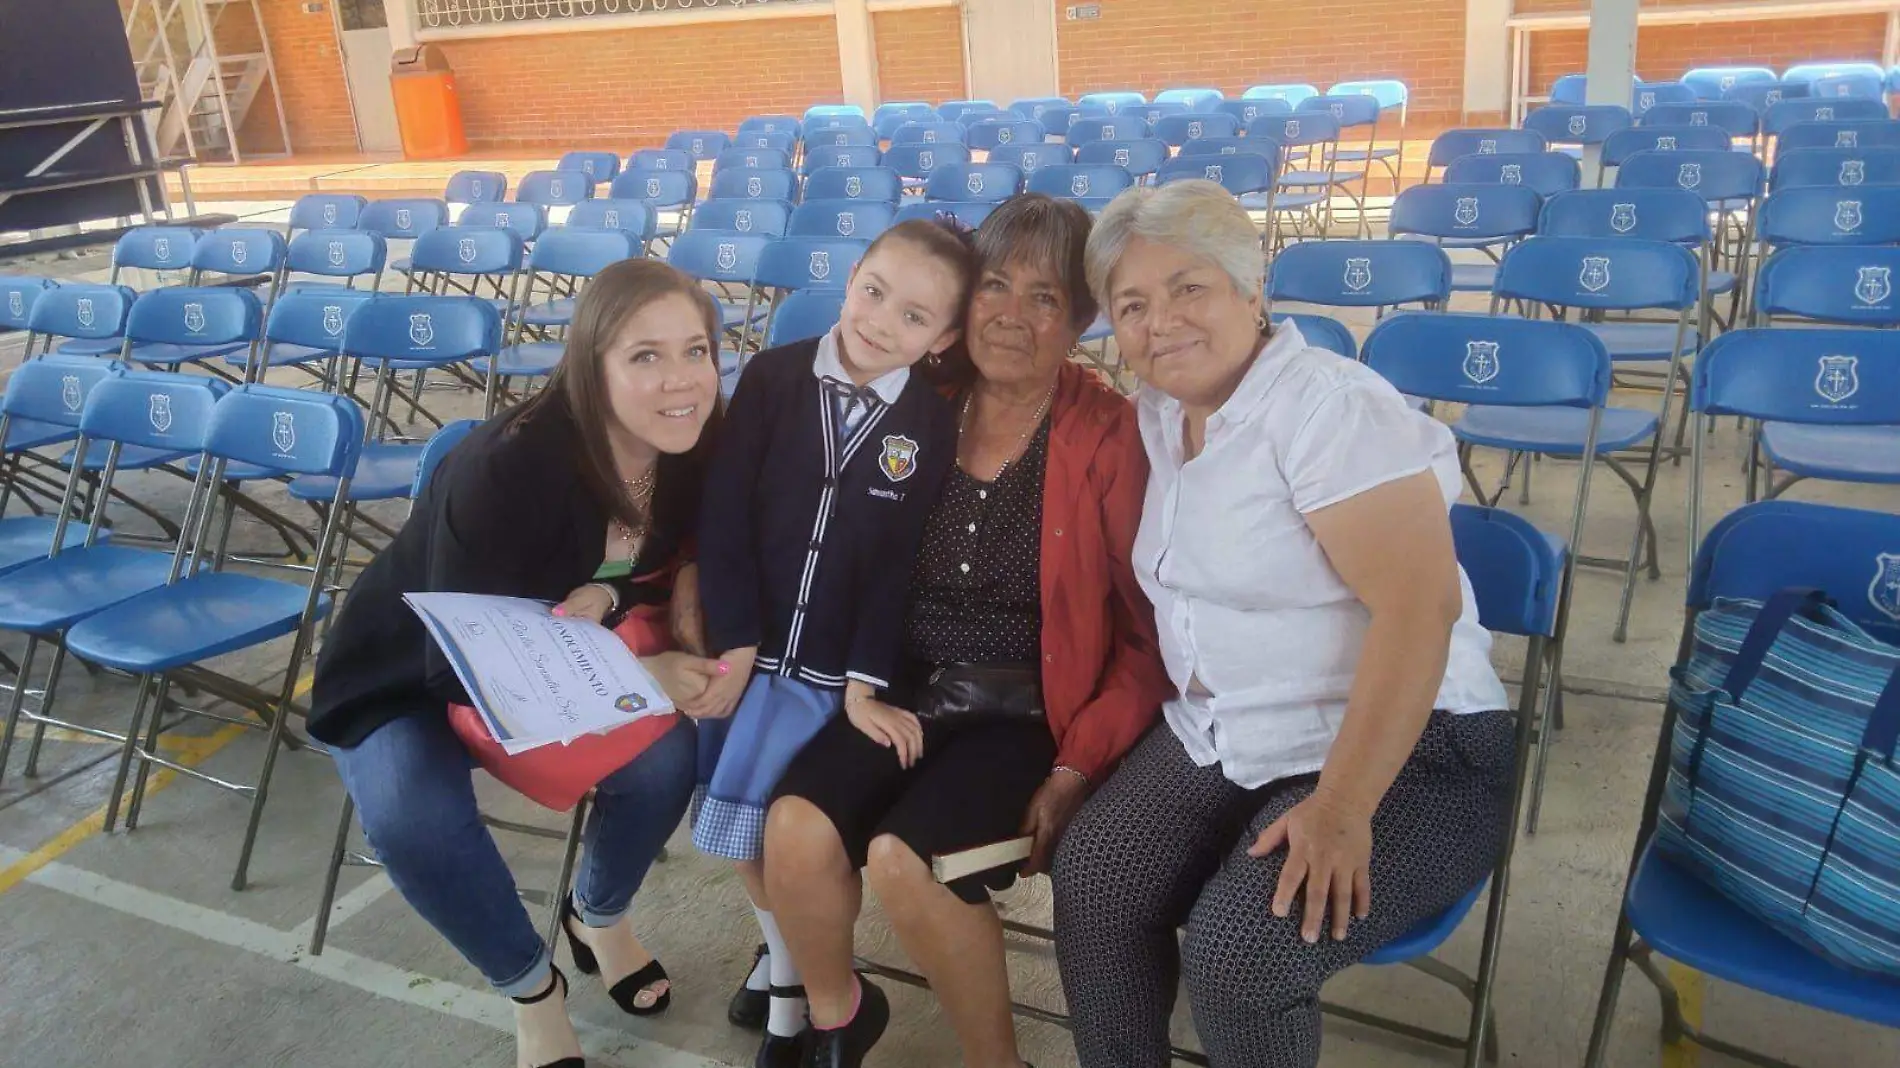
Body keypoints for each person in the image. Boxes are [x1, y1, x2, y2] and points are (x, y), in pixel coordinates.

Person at [1050, 180, 1516, 1068]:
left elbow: (1421, 613)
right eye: (1133, 305)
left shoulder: (1330, 407)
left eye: (1191, 288)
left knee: (1240, 956)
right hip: (1233, 730)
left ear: (1252, 290)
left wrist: (1341, 808)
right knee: (1095, 879)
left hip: (1417, 748)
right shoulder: (1159, 417)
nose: (1164, 322)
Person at [762, 194, 1172, 1068]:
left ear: (1082, 321)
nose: (1010, 316)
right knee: (792, 828)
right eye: (993, 285)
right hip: (901, 686)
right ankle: (839, 1019)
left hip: (1028, 712)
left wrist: (1078, 763)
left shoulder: (1109, 436)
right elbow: (802, 480)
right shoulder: (918, 402)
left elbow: (1147, 640)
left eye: (1044, 298)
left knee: (907, 862)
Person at [309, 259, 727, 1068]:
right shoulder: (507, 466)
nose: (682, 381)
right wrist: (638, 678)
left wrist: (619, 597)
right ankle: (531, 986)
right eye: (645, 356)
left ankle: (597, 916)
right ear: (591, 364)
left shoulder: (694, 441)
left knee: (672, 757)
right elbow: (461, 661)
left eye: (698, 350)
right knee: (409, 814)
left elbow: (654, 559)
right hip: (413, 668)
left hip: (555, 652)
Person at [690, 219, 975, 1068]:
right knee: (738, 834)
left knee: (783, 838)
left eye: (915, 317)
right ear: (851, 276)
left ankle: (797, 996)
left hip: (824, 677)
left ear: (943, 340)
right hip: (751, 661)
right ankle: (790, 981)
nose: (883, 322)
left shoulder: (928, 423)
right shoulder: (774, 378)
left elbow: (896, 566)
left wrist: (863, 685)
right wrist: (733, 642)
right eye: (875, 291)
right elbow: (725, 519)